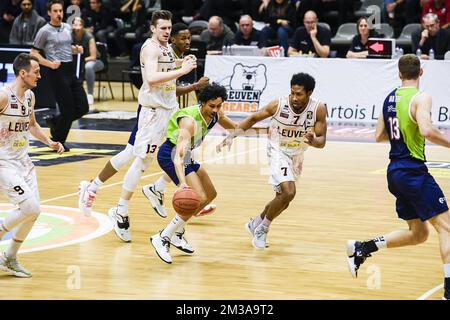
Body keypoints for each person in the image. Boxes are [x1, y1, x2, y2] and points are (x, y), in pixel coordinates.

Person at [78, 22, 211, 219]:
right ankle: (100, 190)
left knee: (180, 150)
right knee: (136, 155)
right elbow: (161, 82)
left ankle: (167, 190)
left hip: (167, 110)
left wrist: (183, 68)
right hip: (152, 112)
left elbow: (170, 87)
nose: (188, 41)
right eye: (183, 38)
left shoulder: (171, 54)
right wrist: (193, 84)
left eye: (189, 38)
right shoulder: (157, 51)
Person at [346, 54, 450, 300]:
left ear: (400, 74)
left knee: (419, 233)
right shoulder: (421, 97)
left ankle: (363, 248)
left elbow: (379, 135)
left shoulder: (389, 98)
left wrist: (402, 133)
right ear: (421, 72)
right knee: (447, 227)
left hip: (395, 172)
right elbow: (426, 130)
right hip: (412, 171)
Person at [104, 10, 197, 243]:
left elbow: (166, 66)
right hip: (153, 113)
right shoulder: (150, 48)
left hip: (170, 109)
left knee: (186, 148)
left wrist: (181, 62)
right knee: (143, 160)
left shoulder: (165, 48)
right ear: (153, 29)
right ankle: (121, 209)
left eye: (169, 28)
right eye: (163, 28)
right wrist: (183, 70)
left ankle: (157, 187)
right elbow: (152, 78)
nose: (167, 32)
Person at [217, 73, 327, 249]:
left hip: (297, 154)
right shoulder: (278, 104)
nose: (295, 97)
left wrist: (313, 141)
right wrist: (232, 135)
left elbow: (321, 141)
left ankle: (256, 223)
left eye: (299, 94)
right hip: (277, 150)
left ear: (309, 93)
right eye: (292, 93)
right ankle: (262, 229)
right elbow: (253, 118)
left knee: (284, 199)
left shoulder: (318, 109)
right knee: (289, 192)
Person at [150, 83, 237, 264]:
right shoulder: (189, 121)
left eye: (219, 106)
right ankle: (163, 237)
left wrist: (231, 136)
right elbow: (179, 156)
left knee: (210, 194)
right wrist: (182, 183)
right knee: (198, 196)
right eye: (211, 106)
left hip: (186, 155)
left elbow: (236, 127)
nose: (215, 110)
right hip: (170, 154)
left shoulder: (216, 115)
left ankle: (176, 232)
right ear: (203, 103)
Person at [0, 53, 64, 278]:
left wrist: (50, 142)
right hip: (4, 162)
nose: (40, 75)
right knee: (31, 207)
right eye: (36, 71)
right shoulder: (3, 97)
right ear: (22, 73)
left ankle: (9, 258)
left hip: (23, 161)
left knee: (33, 213)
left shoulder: (29, 96)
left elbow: (33, 125)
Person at [31, 0, 89, 151]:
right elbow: (34, 52)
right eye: (55, 11)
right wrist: (49, 64)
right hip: (57, 72)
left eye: (61, 11)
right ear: (49, 13)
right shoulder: (44, 31)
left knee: (83, 107)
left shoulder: (67, 27)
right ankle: (58, 141)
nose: (59, 14)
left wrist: (75, 50)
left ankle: (55, 121)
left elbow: (65, 47)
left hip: (70, 69)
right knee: (68, 109)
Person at [72, 16, 104, 106]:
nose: (77, 27)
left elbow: (93, 56)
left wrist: (80, 59)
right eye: (75, 24)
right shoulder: (70, 35)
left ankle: (90, 94)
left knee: (88, 67)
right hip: (78, 61)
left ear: (82, 26)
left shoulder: (89, 36)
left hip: (95, 61)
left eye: (79, 24)